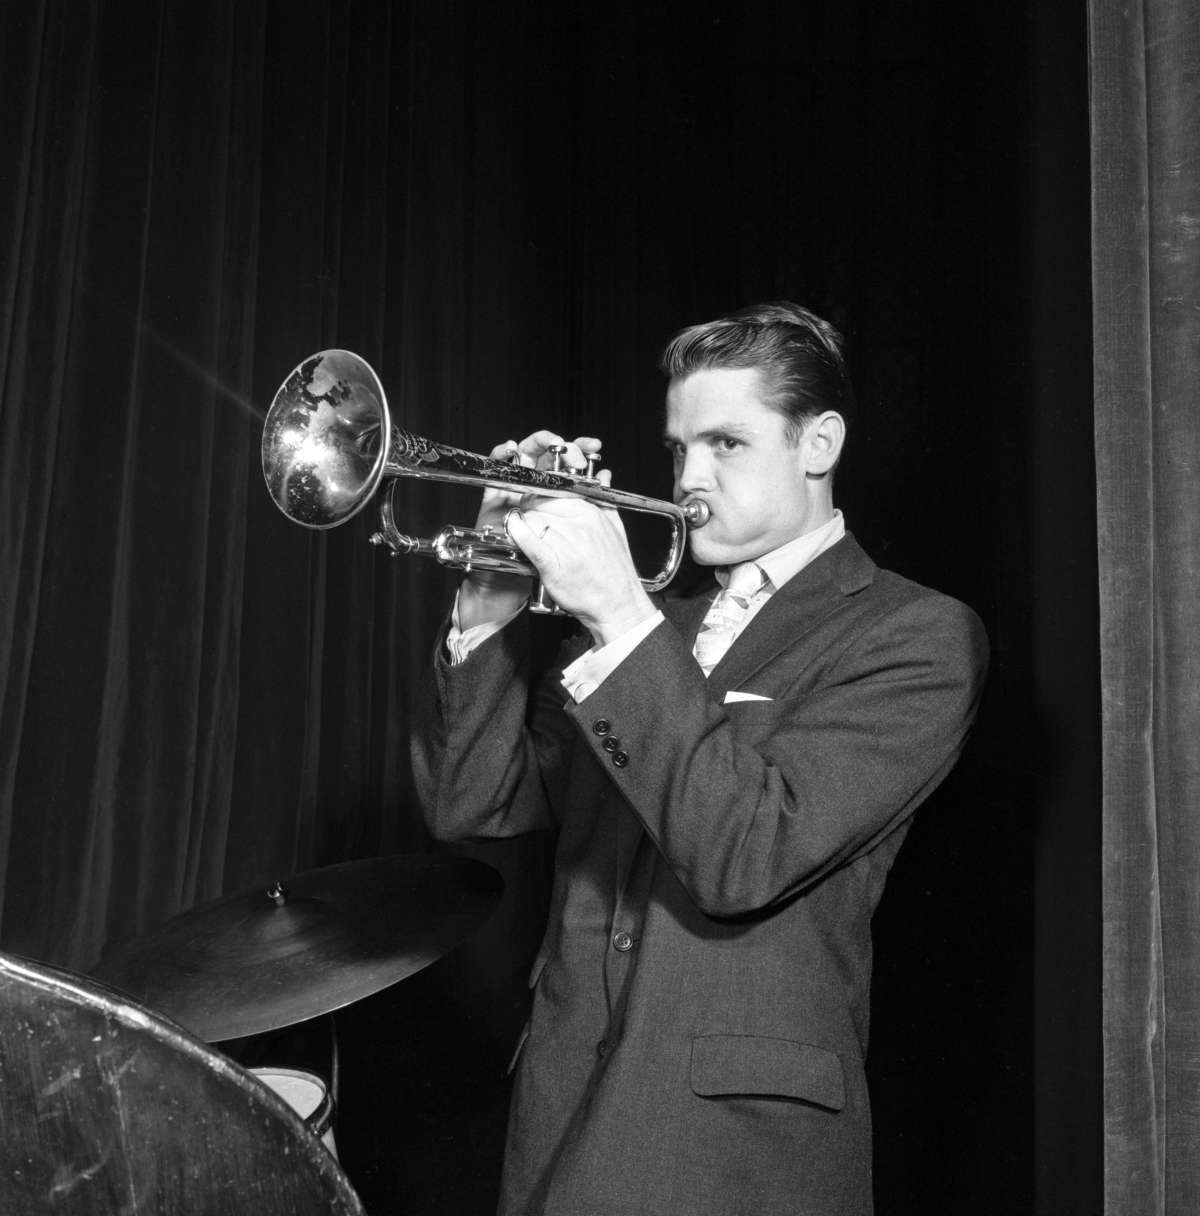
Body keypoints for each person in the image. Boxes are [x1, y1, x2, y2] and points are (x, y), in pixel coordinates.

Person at [411, 301, 989, 1216]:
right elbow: (473, 802)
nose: (688, 479)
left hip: (733, 1151)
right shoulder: (652, 627)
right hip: (559, 1120)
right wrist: (487, 602)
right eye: (680, 447)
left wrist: (619, 615)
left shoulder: (912, 635)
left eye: (726, 444)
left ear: (818, 444)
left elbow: (746, 854)